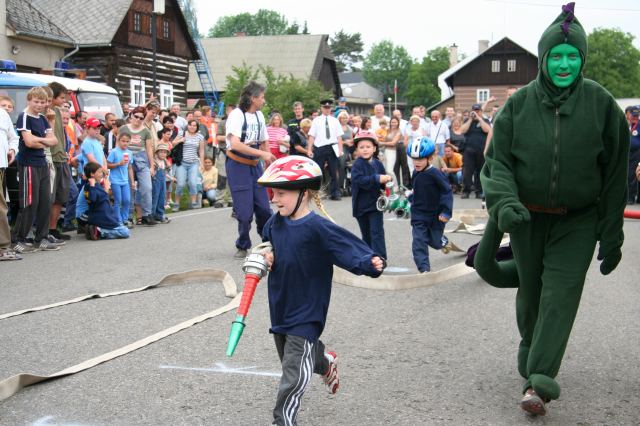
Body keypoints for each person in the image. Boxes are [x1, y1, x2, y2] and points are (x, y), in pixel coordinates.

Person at [474, 3, 629, 416]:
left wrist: (612, 234)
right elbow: (498, 164)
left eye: (572, 56)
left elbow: (615, 176)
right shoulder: (518, 106)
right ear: (543, 60)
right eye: (556, 57)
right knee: (532, 293)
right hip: (526, 218)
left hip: (578, 220)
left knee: (560, 295)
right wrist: (505, 203)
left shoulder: (602, 105)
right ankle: (530, 345)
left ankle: (539, 383)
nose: (564, 64)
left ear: (582, 60)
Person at [256, 155, 385, 426]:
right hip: (280, 306)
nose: (274, 199)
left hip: (307, 310)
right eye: (272, 193)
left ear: (304, 193)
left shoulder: (319, 227)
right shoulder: (276, 221)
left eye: (280, 193)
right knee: (297, 360)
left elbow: (348, 247)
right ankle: (324, 362)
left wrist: (369, 262)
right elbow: (268, 243)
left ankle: (283, 420)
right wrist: (267, 255)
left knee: (294, 374)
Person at [225, 81, 275, 258]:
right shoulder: (236, 116)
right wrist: (262, 153)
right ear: (253, 98)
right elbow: (236, 144)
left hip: (255, 165)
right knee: (245, 212)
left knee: (264, 208)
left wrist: (268, 158)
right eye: (262, 97)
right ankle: (243, 244)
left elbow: (263, 140)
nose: (264, 100)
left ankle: (268, 241)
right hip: (238, 165)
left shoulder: (260, 116)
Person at [11, 87, 60, 253]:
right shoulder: (24, 117)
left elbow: (54, 141)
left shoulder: (42, 119)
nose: (39, 105)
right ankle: (18, 239)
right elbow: (29, 142)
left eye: (42, 102)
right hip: (28, 164)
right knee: (29, 203)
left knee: (45, 202)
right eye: (36, 102)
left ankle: (41, 238)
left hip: (42, 162)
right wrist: (42, 141)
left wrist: (38, 139)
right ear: (29, 100)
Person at [407, 136, 453, 273]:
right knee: (419, 241)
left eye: (420, 159)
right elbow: (418, 190)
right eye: (414, 159)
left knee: (435, 242)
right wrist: (411, 198)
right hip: (419, 215)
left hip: (435, 215)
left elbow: (447, 192)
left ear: (430, 158)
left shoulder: (436, 174)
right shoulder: (415, 172)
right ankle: (424, 269)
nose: (417, 162)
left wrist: (446, 212)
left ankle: (443, 241)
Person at [350, 131, 391, 259]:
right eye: (361, 147)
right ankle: (368, 258)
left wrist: (386, 184)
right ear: (357, 150)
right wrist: (377, 178)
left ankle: (380, 258)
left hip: (375, 205)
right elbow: (359, 181)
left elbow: (383, 183)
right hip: (361, 206)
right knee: (366, 234)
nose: (365, 150)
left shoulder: (378, 163)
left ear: (374, 148)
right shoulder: (357, 165)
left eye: (368, 147)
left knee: (377, 232)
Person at [118, 106, 156, 225]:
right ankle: (128, 216)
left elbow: (149, 149)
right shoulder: (124, 128)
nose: (138, 119)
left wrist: (152, 166)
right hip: (126, 158)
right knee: (129, 188)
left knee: (147, 187)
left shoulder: (146, 131)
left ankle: (146, 214)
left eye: (141, 118)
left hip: (141, 158)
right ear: (131, 116)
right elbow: (117, 145)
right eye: (136, 116)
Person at [46, 82, 72, 244]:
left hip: (61, 158)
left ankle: (53, 229)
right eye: (61, 97)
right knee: (50, 196)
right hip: (52, 158)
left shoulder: (56, 111)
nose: (63, 101)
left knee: (60, 197)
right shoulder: (46, 111)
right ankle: (44, 230)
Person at [307, 99, 344, 200]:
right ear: (321, 108)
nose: (327, 109)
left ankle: (335, 192)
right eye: (325, 107)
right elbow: (311, 136)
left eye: (328, 108)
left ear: (331, 108)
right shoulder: (316, 120)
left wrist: (340, 150)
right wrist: (309, 149)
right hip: (320, 147)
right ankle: (318, 192)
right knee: (318, 171)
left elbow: (339, 137)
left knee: (333, 171)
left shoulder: (335, 120)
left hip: (332, 147)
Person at [82, 162, 130, 240]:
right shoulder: (90, 186)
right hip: (101, 218)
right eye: (99, 172)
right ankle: (100, 232)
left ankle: (97, 229)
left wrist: (105, 187)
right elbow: (93, 199)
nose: (101, 174)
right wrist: (104, 188)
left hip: (104, 217)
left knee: (121, 226)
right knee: (125, 232)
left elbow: (102, 198)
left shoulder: (96, 185)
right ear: (92, 174)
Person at [0, 95, 20, 260]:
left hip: (1, 165)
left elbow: (14, 138)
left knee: (1, 207)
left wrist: (12, 150)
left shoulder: (3, 115)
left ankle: (3, 247)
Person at [459, 103, 492, 199]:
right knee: (467, 172)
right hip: (469, 150)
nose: (476, 112)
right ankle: (466, 191)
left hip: (481, 150)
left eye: (478, 111)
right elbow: (462, 130)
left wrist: (479, 118)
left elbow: (487, 130)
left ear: (481, 111)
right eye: (474, 111)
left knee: (480, 171)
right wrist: (470, 119)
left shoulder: (485, 120)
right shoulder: (467, 120)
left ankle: (479, 191)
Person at [172, 119, 206, 211]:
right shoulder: (182, 133)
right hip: (182, 163)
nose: (192, 127)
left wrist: (202, 163)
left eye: (194, 125)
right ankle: (176, 203)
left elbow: (201, 151)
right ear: (188, 126)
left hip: (194, 162)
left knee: (193, 183)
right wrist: (180, 141)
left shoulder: (200, 136)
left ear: (197, 127)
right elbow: (172, 143)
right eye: (190, 125)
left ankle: (194, 202)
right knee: (180, 184)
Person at [107, 133, 134, 227]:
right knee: (118, 200)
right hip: (115, 180)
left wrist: (132, 181)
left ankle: (124, 219)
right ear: (118, 141)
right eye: (123, 141)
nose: (125, 143)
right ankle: (118, 220)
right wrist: (118, 163)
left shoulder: (129, 153)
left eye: (127, 141)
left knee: (127, 200)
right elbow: (107, 165)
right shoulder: (114, 152)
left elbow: (130, 167)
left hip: (125, 180)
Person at [151, 142, 171, 223]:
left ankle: (160, 215)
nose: (163, 154)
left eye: (165, 152)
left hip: (162, 181)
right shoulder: (155, 162)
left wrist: (171, 178)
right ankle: (152, 215)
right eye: (161, 152)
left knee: (162, 197)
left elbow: (167, 170)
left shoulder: (164, 162)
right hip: (156, 181)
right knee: (155, 197)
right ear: (157, 153)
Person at [627, 105, 640, 204]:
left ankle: (631, 198)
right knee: (627, 174)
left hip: (637, 153)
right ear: (629, 115)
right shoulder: (627, 124)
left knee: (633, 175)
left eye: (637, 115)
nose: (635, 117)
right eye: (633, 115)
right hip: (627, 153)